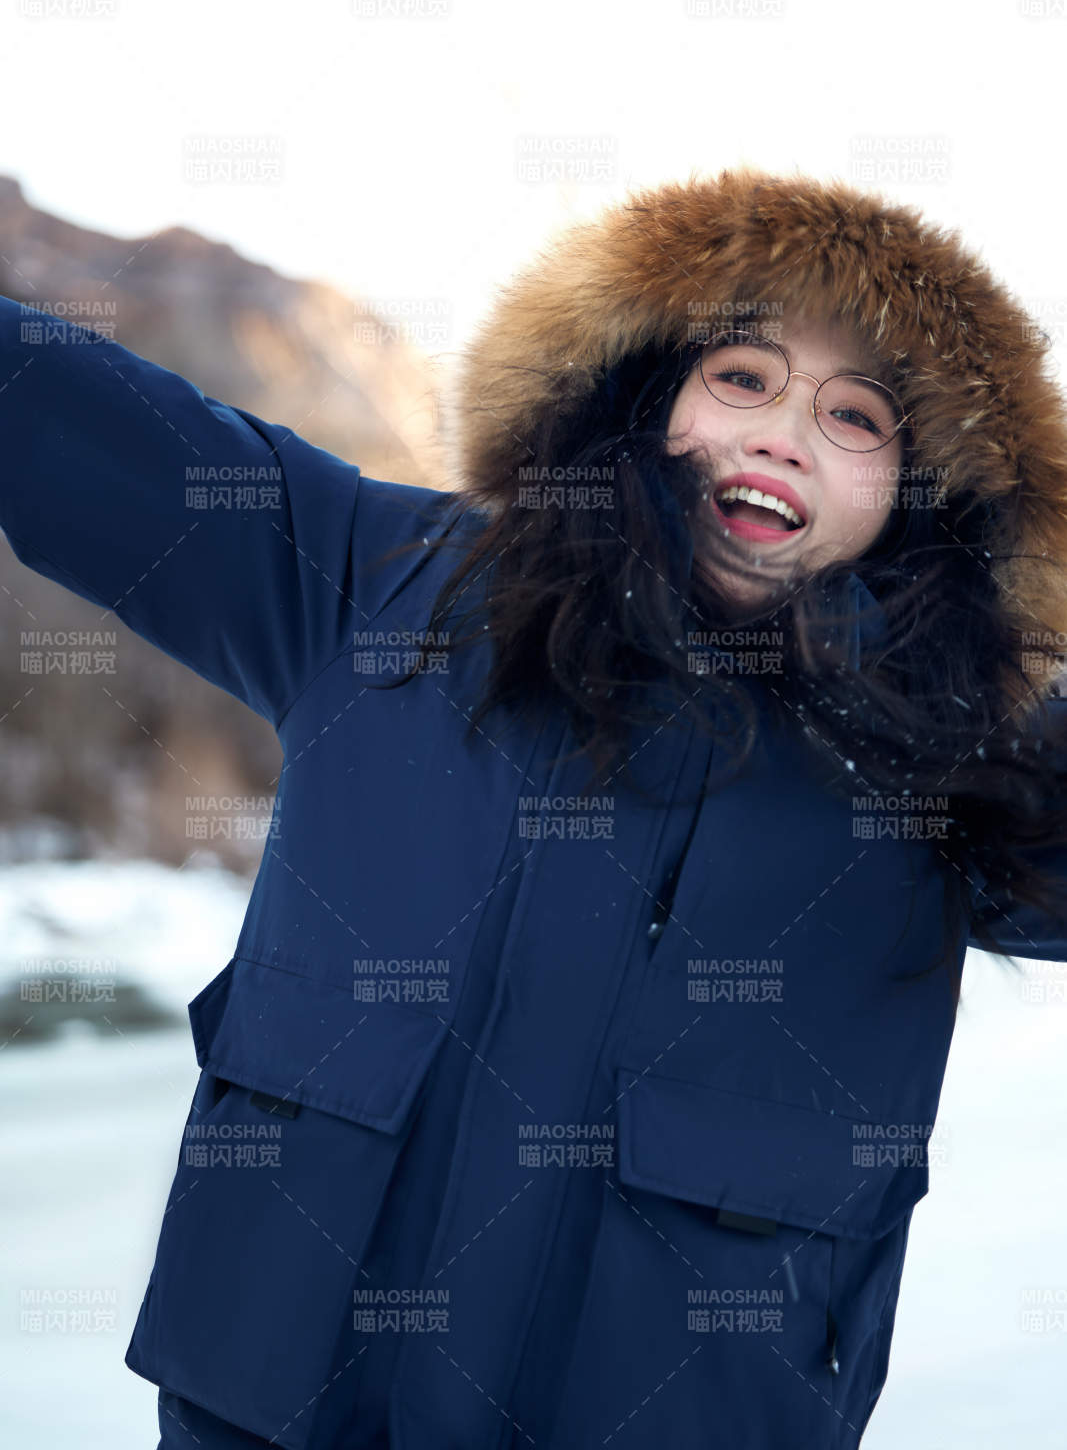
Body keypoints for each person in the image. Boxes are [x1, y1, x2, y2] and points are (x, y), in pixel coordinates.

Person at [2, 164, 1065, 1450]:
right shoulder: (374, 583)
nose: (782, 432)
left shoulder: (960, 764)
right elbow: (55, 419)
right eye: (740, 377)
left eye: (856, 418)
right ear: (639, 389)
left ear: (924, 495)